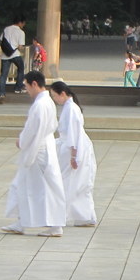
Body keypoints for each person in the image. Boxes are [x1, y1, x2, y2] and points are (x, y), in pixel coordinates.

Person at [2, 71, 66, 237]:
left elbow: (33, 130)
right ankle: (21, 221)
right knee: (23, 184)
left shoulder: (40, 104)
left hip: (39, 149)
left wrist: (22, 141)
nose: (27, 90)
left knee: (47, 186)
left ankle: (55, 224)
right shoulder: (46, 102)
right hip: (42, 145)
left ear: (35, 84)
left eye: (27, 86)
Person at [49, 81, 97, 228]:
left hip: (74, 147)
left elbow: (73, 133)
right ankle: (83, 216)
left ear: (62, 94)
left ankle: (64, 214)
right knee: (77, 182)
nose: (55, 99)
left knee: (70, 182)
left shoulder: (71, 109)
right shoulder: (70, 107)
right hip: (72, 146)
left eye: (55, 96)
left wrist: (73, 155)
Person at [0, 17, 26, 103]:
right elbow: (20, 46)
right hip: (15, 54)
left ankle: (1, 94)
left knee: (3, 75)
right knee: (21, 68)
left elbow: (1, 40)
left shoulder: (6, 29)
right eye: (23, 23)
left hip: (5, 55)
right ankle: (18, 88)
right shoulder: (21, 32)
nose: (23, 25)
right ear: (20, 22)